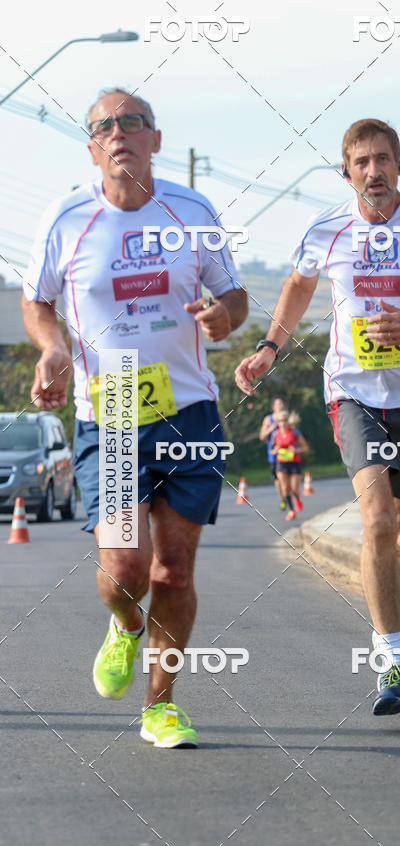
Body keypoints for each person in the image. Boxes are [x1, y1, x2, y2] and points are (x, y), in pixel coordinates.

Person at [21, 88, 248, 748]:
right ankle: (123, 627)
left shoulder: (192, 209)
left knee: (173, 571)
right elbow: (37, 302)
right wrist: (55, 348)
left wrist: (224, 316)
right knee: (125, 568)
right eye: (103, 126)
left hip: (189, 408)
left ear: (154, 139)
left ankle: (161, 704)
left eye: (130, 122)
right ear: (93, 147)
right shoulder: (67, 219)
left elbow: (233, 294)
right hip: (111, 407)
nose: (117, 132)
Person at [235, 118, 400, 715]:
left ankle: (398, 638)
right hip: (352, 392)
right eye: (361, 162)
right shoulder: (327, 230)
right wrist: (270, 346)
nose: (373, 171)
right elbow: (297, 285)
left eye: (382, 160)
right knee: (374, 520)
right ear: (345, 171)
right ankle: (392, 659)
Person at [271, 409, 309, 519]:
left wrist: (296, 450)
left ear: (288, 421)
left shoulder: (295, 432)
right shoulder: (275, 434)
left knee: (294, 489)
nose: (282, 423)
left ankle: (297, 498)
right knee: (285, 488)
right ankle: (292, 510)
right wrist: (276, 450)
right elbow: (272, 450)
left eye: (285, 420)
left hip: (294, 463)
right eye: (280, 421)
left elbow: (305, 447)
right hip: (281, 464)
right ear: (278, 422)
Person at [259, 396, 287, 510]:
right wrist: (271, 428)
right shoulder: (268, 419)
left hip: (286, 452)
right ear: (273, 407)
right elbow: (262, 436)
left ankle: (288, 496)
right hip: (273, 454)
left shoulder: (286, 418)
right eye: (278, 404)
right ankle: (282, 499)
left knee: (286, 476)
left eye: (282, 403)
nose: (280, 406)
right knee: (277, 479)